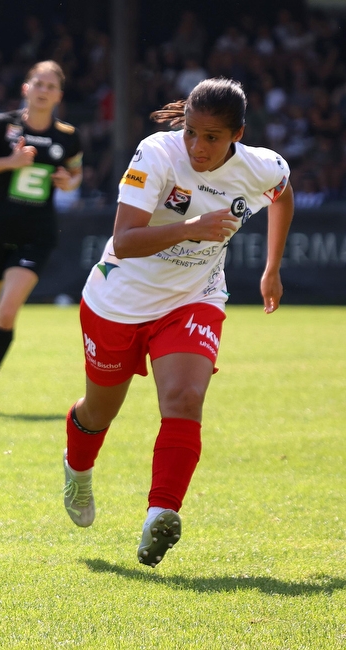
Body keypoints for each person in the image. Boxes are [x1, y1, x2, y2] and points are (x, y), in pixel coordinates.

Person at [61, 78, 294, 568]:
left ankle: (160, 513)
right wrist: (191, 228)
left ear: (238, 134)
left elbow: (283, 194)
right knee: (99, 413)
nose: (198, 146)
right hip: (118, 301)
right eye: (191, 132)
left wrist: (272, 268)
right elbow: (124, 240)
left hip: (194, 298)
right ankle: (77, 471)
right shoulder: (156, 153)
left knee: (185, 399)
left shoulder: (262, 166)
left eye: (212, 137)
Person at [0, 60, 82, 413]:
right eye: (37, 83)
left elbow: (75, 173)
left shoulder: (67, 136)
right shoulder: (2, 126)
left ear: (58, 94)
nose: (43, 90)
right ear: (26, 88)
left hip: (35, 235)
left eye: (50, 85)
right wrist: (8, 163)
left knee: (7, 312)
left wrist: (69, 182)